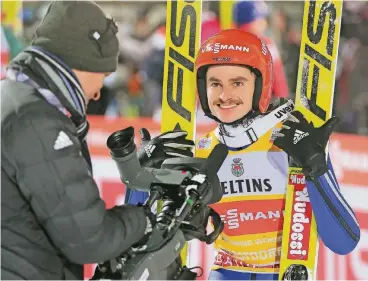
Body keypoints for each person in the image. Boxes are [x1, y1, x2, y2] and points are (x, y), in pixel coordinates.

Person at [1, 1, 193, 280]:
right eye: (103, 75)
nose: (97, 92)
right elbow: (88, 238)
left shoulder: (14, 97)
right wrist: (145, 220)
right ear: (81, 63)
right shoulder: (37, 121)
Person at [194, 29, 360, 280]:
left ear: (260, 86)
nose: (224, 95)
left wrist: (316, 166)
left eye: (237, 83)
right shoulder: (202, 149)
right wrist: (137, 173)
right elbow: (136, 241)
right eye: (215, 84)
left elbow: (343, 241)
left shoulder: (292, 140)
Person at [233, 0, 290, 99]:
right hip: (261, 105)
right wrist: (282, 101)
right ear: (254, 21)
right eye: (261, 19)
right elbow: (277, 77)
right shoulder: (265, 44)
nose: (264, 23)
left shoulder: (224, 41)